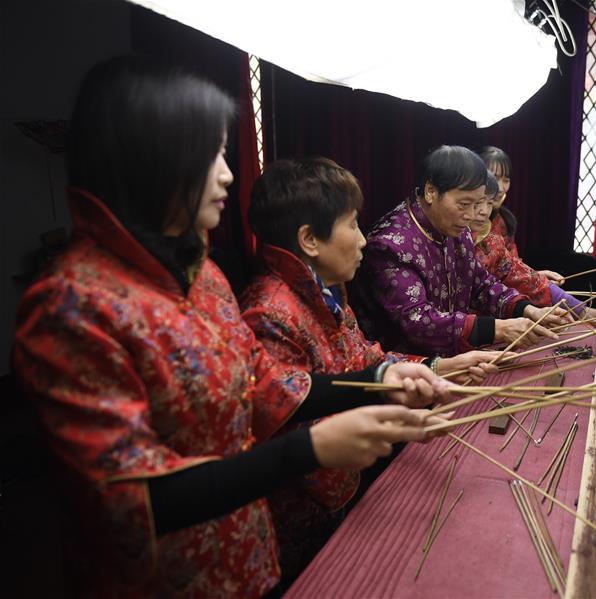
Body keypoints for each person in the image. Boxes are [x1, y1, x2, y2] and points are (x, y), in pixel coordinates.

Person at [13, 57, 448, 597]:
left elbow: (264, 383)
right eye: (210, 155)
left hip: (245, 555)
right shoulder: (71, 305)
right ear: (148, 158)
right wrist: (308, 450)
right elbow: (126, 499)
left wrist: (379, 380)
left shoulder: (203, 276)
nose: (227, 174)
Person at [239, 157, 501, 577]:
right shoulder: (271, 314)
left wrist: (439, 366)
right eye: (352, 225)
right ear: (310, 239)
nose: (363, 239)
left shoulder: (322, 292)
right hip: (299, 525)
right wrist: (394, 420)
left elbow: (367, 360)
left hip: (340, 498)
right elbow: (296, 431)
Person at [352, 146, 572, 357]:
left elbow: (480, 284)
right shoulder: (390, 245)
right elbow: (418, 321)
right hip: (407, 370)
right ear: (431, 191)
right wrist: (498, 329)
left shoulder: (456, 228)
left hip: (455, 358)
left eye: (477, 204)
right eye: (464, 204)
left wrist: (527, 310)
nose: (471, 215)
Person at [473, 172, 588, 314]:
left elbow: (510, 275)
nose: (484, 211)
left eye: (489, 203)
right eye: (476, 202)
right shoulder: (458, 239)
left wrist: (580, 309)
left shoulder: (491, 240)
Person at [479, 145, 565, 284]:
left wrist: (538, 276)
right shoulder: (465, 223)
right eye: (494, 177)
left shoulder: (504, 223)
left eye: (506, 180)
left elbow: (511, 270)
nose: (500, 188)